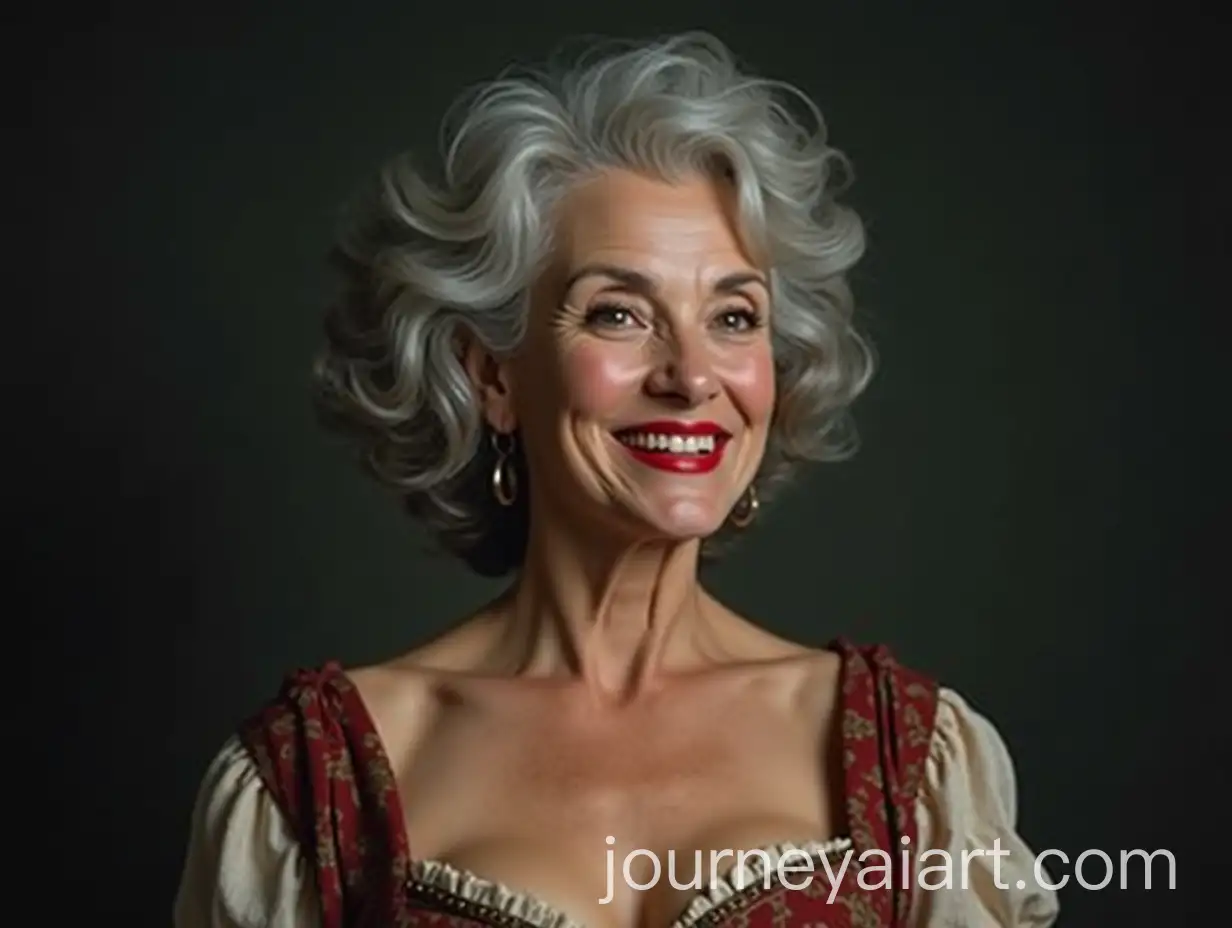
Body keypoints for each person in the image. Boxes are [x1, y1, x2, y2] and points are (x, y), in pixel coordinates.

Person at [173, 32, 1060, 928]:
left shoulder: (910, 757)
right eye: (619, 312)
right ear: (492, 377)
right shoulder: (313, 782)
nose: (691, 374)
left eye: (733, 315)